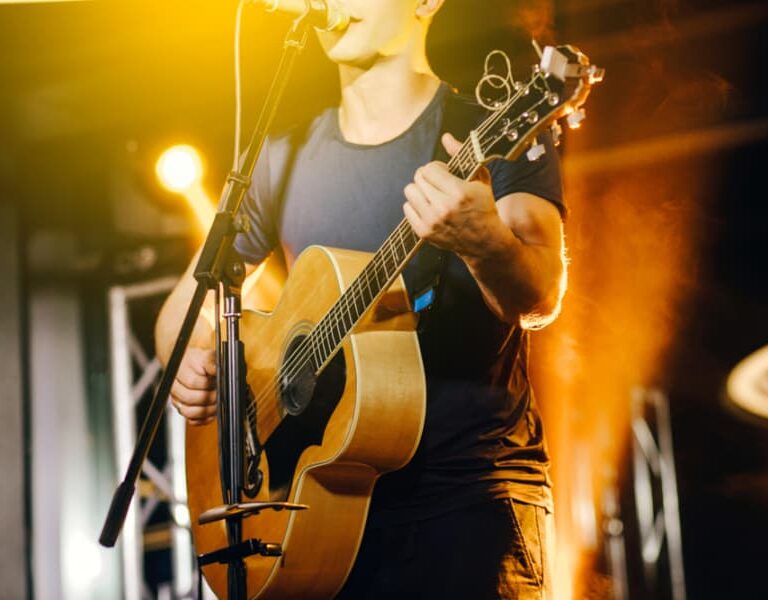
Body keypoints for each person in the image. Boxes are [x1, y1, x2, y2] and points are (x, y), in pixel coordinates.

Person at [155, 0, 566, 597]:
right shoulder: (281, 157)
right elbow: (179, 320)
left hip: (468, 500)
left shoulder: (488, 125)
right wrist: (194, 370)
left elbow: (538, 295)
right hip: (319, 515)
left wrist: (486, 245)